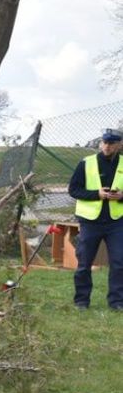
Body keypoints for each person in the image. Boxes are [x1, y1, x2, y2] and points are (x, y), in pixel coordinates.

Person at [67, 128, 123, 310]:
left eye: (111, 143)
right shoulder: (86, 163)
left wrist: (121, 196)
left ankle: (117, 302)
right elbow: (74, 190)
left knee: (119, 262)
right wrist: (96, 195)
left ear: (119, 145)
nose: (107, 146)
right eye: (104, 143)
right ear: (100, 143)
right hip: (90, 221)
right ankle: (81, 301)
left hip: (117, 221)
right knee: (84, 263)